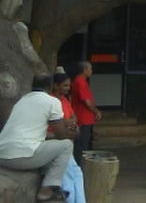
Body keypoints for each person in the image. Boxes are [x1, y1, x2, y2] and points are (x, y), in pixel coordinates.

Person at [0, 74, 75, 202]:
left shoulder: (22, 100)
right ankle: (47, 189)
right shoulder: (52, 101)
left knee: (48, 147)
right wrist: (73, 131)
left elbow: (38, 134)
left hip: (2, 155)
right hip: (21, 157)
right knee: (67, 145)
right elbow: (61, 135)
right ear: (51, 86)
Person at [49, 73, 86, 203]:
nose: (68, 88)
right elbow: (57, 121)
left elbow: (73, 116)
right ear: (55, 86)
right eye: (65, 85)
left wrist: (72, 122)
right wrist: (68, 122)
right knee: (68, 176)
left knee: (77, 173)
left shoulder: (65, 99)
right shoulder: (51, 100)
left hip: (67, 141)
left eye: (69, 85)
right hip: (56, 143)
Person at [70, 61, 102, 166]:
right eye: (90, 69)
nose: (91, 71)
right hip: (83, 119)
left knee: (86, 144)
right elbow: (87, 102)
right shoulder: (80, 82)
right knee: (82, 147)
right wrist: (96, 111)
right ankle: (81, 168)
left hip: (86, 118)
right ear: (85, 70)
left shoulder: (81, 82)